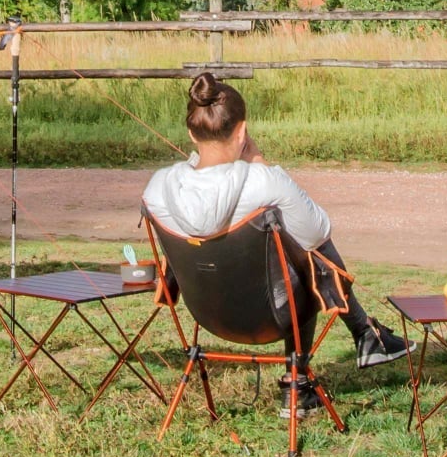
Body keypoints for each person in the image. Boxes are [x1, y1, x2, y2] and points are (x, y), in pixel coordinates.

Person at [143, 74, 414, 415]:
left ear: (191, 133)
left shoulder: (158, 187)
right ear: (242, 132)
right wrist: (259, 162)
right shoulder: (265, 183)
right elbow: (319, 232)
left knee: (296, 251)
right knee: (309, 257)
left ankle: (362, 336)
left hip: (209, 314)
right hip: (274, 316)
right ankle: (320, 365)